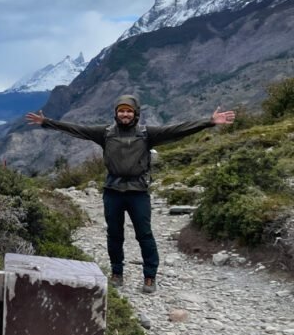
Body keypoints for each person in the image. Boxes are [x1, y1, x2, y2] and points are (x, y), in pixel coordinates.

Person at [25, 95, 235, 293]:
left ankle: (150, 276)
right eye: (121, 111)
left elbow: (177, 130)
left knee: (144, 234)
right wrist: (47, 122)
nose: (125, 114)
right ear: (116, 114)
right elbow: (76, 129)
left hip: (138, 192)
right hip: (112, 191)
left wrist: (209, 122)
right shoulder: (105, 133)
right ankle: (117, 273)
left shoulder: (147, 134)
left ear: (136, 113)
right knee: (114, 234)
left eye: (128, 111)